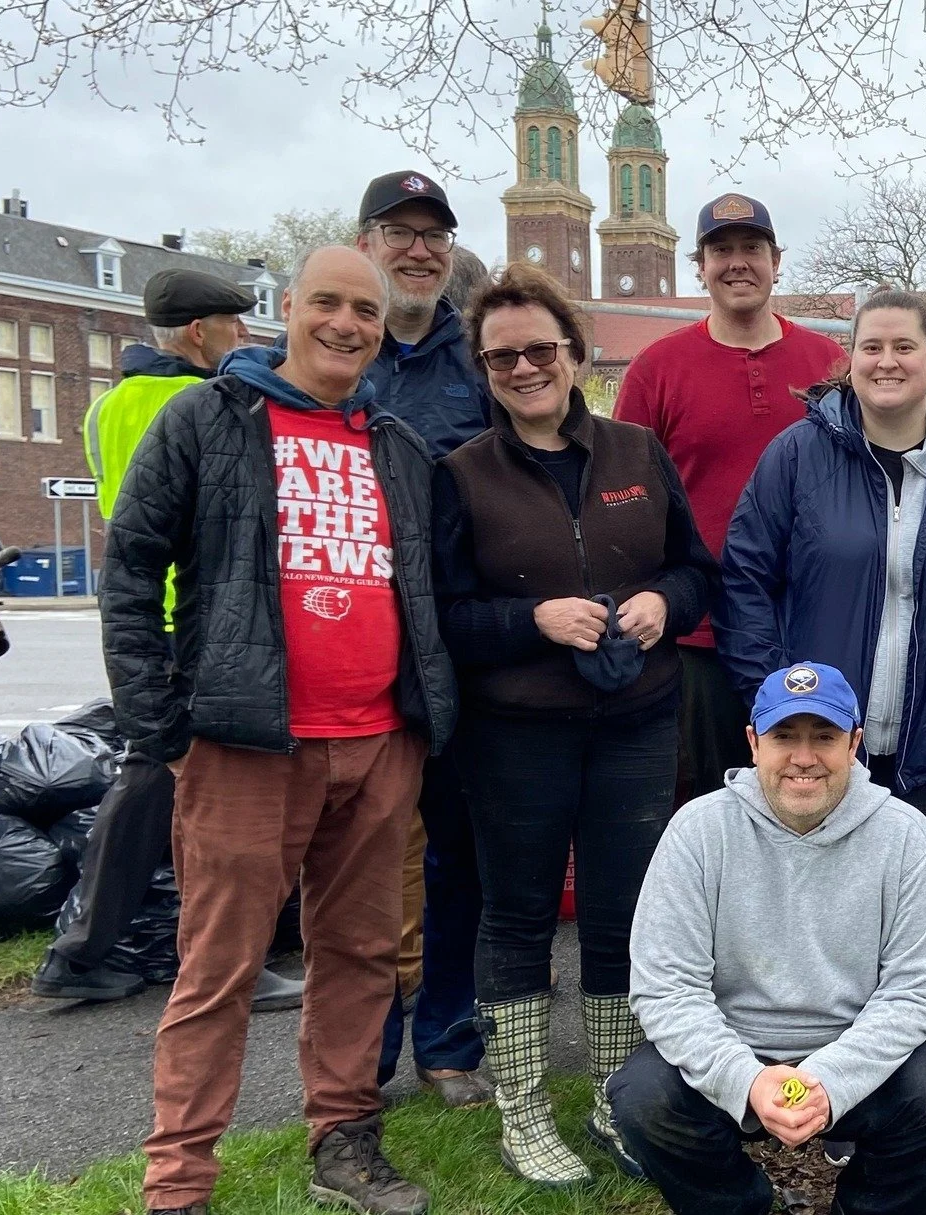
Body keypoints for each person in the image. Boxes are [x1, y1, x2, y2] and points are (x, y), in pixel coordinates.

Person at [104, 246, 456, 1215]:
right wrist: (161, 728)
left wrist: (421, 726)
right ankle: (179, 1178)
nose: (347, 324)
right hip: (243, 745)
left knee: (358, 955)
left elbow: (422, 591)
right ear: (288, 308)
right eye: (329, 304)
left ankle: (342, 1141)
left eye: (367, 312)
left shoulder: (397, 446)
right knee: (218, 969)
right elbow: (131, 570)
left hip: (380, 745)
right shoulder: (206, 422)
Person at [718, 289, 926, 1167]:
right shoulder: (798, 456)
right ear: (848, 360)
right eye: (870, 348)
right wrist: (770, 701)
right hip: (823, 741)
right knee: (830, 913)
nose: (886, 361)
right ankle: (839, 1088)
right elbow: (745, 576)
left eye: (905, 347)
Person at [431, 263, 719, 1186]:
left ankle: (609, 1092)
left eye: (540, 349)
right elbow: (441, 615)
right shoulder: (462, 476)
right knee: (516, 913)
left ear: (575, 353)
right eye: (502, 355)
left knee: (621, 912)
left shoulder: (637, 453)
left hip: (635, 720)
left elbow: (694, 570)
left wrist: (661, 607)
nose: (523, 368)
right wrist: (533, 620)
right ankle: (520, 1107)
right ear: (484, 367)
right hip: (515, 733)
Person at [35, 268, 304, 1014]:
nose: (244, 339)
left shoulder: (107, 408)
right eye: (234, 326)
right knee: (199, 799)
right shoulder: (201, 404)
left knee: (152, 784)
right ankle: (213, 957)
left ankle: (88, 949)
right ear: (199, 333)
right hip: (197, 626)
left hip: (147, 622)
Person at [611, 662, 926, 1215]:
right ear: (754, 742)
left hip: (859, 1050)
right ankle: (741, 1206)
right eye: (785, 737)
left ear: (854, 744)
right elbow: (665, 987)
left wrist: (830, 1078)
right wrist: (747, 1080)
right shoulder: (698, 831)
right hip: (737, 1046)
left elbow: (917, 990)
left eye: (824, 737)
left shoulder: (904, 834)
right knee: (643, 1097)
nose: (804, 758)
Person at [614, 193, 846, 806]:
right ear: (700, 265)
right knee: (716, 803)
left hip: (818, 621)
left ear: (777, 261)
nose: (737, 263)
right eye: (722, 250)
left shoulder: (829, 363)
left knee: (818, 798)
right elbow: (621, 495)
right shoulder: (656, 369)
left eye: (752, 249)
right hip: (702, 637)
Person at [351, 169, 494, 1109]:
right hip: (356, 647)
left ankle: (446, 1037)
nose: (418, 250)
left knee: (455, 857)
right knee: (358, 863)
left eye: (433, 235)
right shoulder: (335, 352)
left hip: (456, 646)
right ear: (366, 242)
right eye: (400, 232)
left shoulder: (477, 362)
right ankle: (361, 1054)